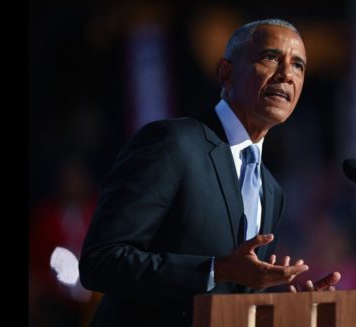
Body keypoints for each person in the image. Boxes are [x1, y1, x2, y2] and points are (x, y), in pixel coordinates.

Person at [79, 18, 341, 326]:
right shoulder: (172, 143)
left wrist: (282, 303)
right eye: (270, 58)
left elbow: (234, 294)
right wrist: (217, 269)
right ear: (225, 72)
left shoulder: (272, 190)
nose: (286, 74)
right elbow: (101, 262)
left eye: (298, 65)